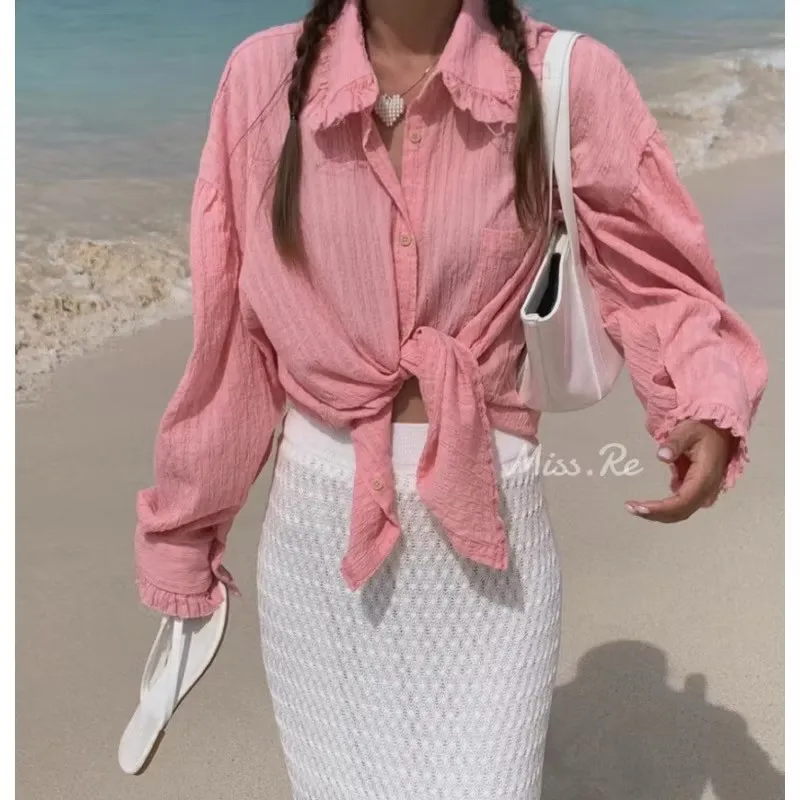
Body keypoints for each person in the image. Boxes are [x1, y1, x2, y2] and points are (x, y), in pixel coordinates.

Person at [132, 0, 768, 797]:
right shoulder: (262, 79)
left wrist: (702, 398)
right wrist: (186, 534)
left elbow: (655, 276)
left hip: (493, 540)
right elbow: (233, 337)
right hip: (318, 544)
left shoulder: (565, 78)